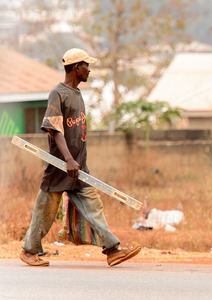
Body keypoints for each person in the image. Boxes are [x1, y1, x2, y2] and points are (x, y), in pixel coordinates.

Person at [19, 48, 141, 267]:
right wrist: (68, 160)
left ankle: (112, 250)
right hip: (61, 166)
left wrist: (78, 162)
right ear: (76, 68)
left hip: (78, 166)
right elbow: (55, 130)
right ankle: (29, 251)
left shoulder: (77, 94)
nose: (89, 70)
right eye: (87, 65)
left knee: (93, 206)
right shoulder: (58, 93)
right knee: (45, 210)